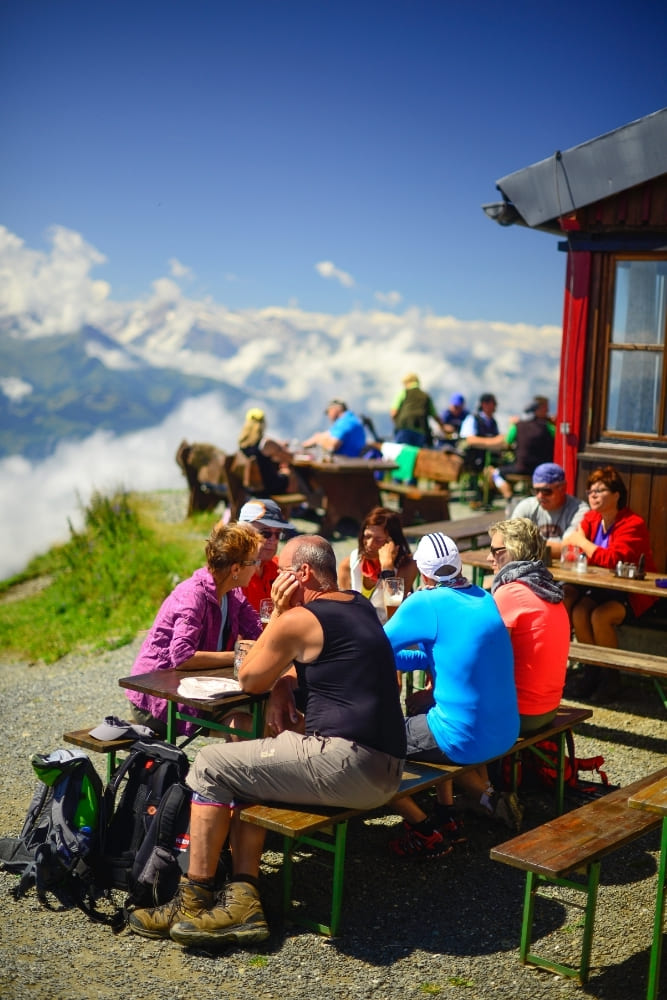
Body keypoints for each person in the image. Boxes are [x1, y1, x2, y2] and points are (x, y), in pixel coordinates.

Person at [127, 535, 407, 947]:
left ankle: (193, 901)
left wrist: (278, 611)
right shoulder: (357, 604)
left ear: (303, 574)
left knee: (211, 764)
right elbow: (302, 665)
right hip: (388, 765)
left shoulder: (298, 618)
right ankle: (243, 898)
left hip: (347, 761)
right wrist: (283, 688)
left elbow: (249, 677)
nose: (272, 575)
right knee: (248, 767)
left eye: (280, 571)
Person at [384, 532, 520, 859]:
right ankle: (449, 814)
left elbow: (374, 647)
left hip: (464, 738)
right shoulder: (483, 597)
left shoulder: (425, 601)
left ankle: (423, 828)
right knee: (429, 715)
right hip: (506, 732)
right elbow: (440, 657)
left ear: (423, 572)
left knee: (372, 738)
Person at [125, 522, 262, 738]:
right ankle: (232, 769)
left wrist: (282, 611)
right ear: (236, 569)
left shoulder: (233, 595)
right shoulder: (193, 595)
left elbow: (260, 635)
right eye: (254, 561)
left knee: (266, 716)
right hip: (158, 701)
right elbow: (182, 657)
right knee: (245, 726)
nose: (257, 567)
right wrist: (237, 656)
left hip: (199, 690)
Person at [565, 465, 658, 702]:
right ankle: (590, 671)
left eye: (600, 489)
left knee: (599, 616)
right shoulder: (592, 519)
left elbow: (612, 559)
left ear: (617, 494)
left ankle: (611, 678)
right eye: (590, 490)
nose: (593, 494)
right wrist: (580, 543)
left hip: (631, 594)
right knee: (578, 611)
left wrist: (582, 542)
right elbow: (574, 548)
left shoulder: (632, 523)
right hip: (601, 589)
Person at [486, 518, 570, 734]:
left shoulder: (510, 592)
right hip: (548, 708)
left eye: (495, 551)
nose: (489, 558)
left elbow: (488, 657)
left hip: (520, 714)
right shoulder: (548, 588)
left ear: (514, 550)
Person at [511, 462, 589, 560]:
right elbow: (511, 541)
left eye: (546, 491)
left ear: (562, 488)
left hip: (564, 569)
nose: (540, 496)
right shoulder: (526, 506)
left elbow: (569, 549)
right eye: (536, 490)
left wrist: (527, 545)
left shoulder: (579, 510)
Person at [337, 507, 418, 597]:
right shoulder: (349, 565)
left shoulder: (407, 566)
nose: (369, 544)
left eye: (378, 540)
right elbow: (344, 607)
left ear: (392, 542)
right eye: (367, 536)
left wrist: (387, 568)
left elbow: (394, 606)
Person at [486, 397, 555, 501]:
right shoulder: (549, 427)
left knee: (496, 473)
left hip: (522, 467)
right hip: (543, 469)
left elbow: (507, 442)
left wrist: (511, 424)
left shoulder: (517, 426)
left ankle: (509, 498)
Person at [237, 498, 296, 613]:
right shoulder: (233, 575)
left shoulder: (281, 568)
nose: (273, 540)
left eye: (278, 534)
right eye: (265, 533)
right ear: (242, 533)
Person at [237, 407, 309, 497]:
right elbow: (289, 457)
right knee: (289, 472)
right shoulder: (265, 443)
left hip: (252, 488)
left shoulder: (242, 445)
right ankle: (295, 506)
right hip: (269, 487)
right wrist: (282, 447)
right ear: (263, 424)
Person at [390, 373, 447, 447]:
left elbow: (394, 412)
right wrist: (443, 428)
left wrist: (397, 424)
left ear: (407, 383)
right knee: (416, 456)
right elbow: (435, 416)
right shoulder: (426, 396)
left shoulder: (404, 393)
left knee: (403, 455)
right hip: (420, 431)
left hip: (404, 428)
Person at [302, 399, 366, 458]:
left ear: (336, 409)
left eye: (328, 411)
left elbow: (333, 445)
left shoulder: (345, 422)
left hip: (346, 463)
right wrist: (317, 437)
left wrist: (318, 440)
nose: (328, 415)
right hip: (351, 460)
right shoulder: (351, 419)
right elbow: (327, 434)